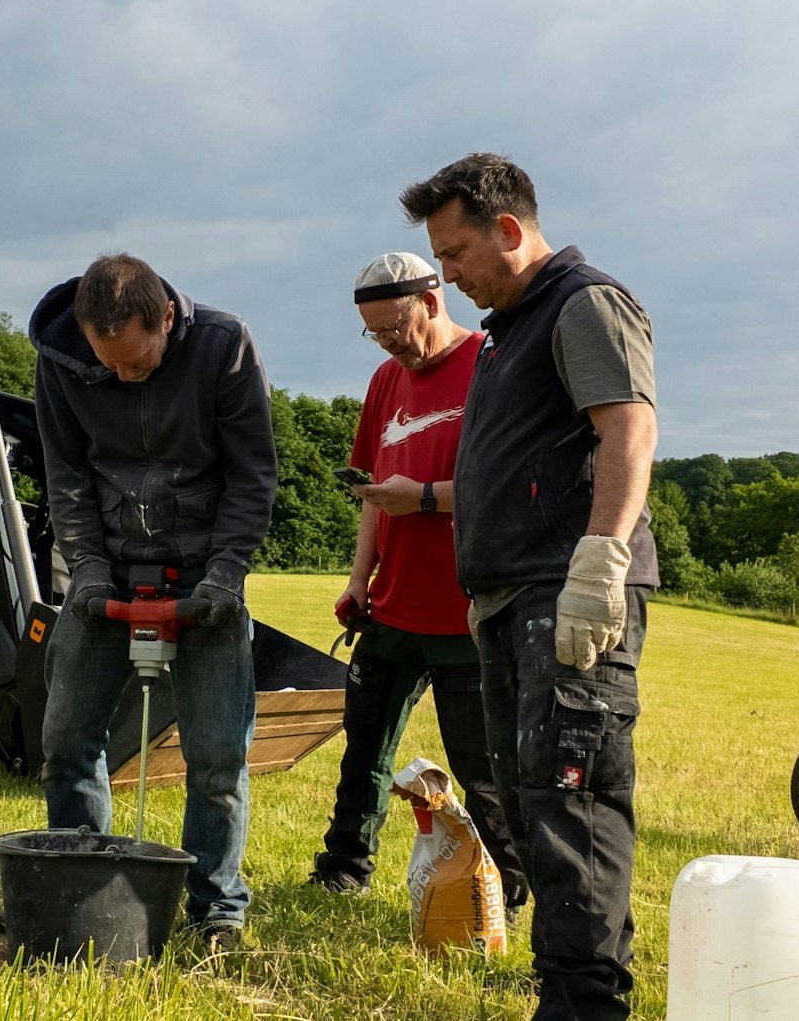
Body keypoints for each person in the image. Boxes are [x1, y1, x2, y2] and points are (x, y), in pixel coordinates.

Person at [399, 154, 658, 1020]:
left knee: (570, 799)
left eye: (458, 252)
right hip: (512, 598)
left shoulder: (583, 302)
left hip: (566, 590)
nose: (449, 276)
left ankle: (584, 1003)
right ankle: (572, 981)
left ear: (509, 231)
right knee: (530, 797)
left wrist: (602, 559)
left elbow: (628, 425)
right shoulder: (511, 328)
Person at [27, 252, 277, 951]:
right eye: (110, 365)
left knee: (219, 757)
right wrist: (88, 569)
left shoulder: (224, 348)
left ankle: (217, 908)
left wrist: (225, 576)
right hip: (105, 572)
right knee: (67, 741)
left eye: (138, 362)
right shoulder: (63, 360)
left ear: (166, 316)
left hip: (203, 577)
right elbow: (66, 472)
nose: (123, 375)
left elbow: (252, 475)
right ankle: (76, 888)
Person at [307, 252, 526, 912]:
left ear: (433, 298)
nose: (389, 342)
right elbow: (376, 492)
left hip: (465, 610)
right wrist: (358, 579)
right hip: (392, 606)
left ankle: (503, 889)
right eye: (375, 332)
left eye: (395, 326)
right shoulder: (385, 380)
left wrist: (425, 498)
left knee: (480, 766)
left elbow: (511, 489)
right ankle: (344, 867)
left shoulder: (492, 365)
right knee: (364, 751)